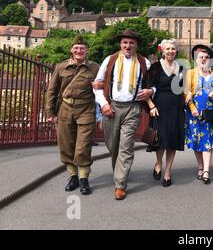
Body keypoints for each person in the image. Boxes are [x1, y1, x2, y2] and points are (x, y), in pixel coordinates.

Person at [93, 29, 153, 200]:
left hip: (133, 108)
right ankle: (119, 172)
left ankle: (120, 184)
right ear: (120, 44)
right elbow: (97, 85)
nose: (128, 46)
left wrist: (151, 90)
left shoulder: (144, 62)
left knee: (126, 147)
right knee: (113, 146)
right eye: (125, 43)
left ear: (136, 45)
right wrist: (103, 104)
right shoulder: (110, 60)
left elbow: (154, 84)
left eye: (131, 43)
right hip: (112, 107)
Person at [46, 36, 99, 195]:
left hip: (86, 109)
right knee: (66, 145)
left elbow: (102, 89)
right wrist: (50, 112)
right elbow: (52, 91)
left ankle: (84, 178)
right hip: (65, 109)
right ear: (71, 50)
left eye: (82, 48)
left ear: (87, 50)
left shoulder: (95, 68)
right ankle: (73, 176)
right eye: (76, 47)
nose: (79, 50)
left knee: (83, 146)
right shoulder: (61, 67)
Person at [185, 45, 213, 184]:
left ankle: (206, 170)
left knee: (207, 140)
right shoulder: (190, 73)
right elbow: (186, 92)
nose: (203, 59)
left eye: (206, 57)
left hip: (210, 113)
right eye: (201, 57)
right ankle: (200, 166)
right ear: (196, 59)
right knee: (197, 141)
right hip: (194, 112)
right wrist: (192, 107)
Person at [148, 39, 185, 187]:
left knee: (172, 141)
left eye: (173, 49)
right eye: (168, 49)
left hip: (176, 108)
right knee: (161, 140)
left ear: (176, 51)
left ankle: (168, 172)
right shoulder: (155, 67)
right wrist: (151, 106)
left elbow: (184, 88)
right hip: (160, 106)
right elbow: (147, 88)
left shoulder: (181, 68)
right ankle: (158, 163)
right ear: (162, 51)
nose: (170, 51)